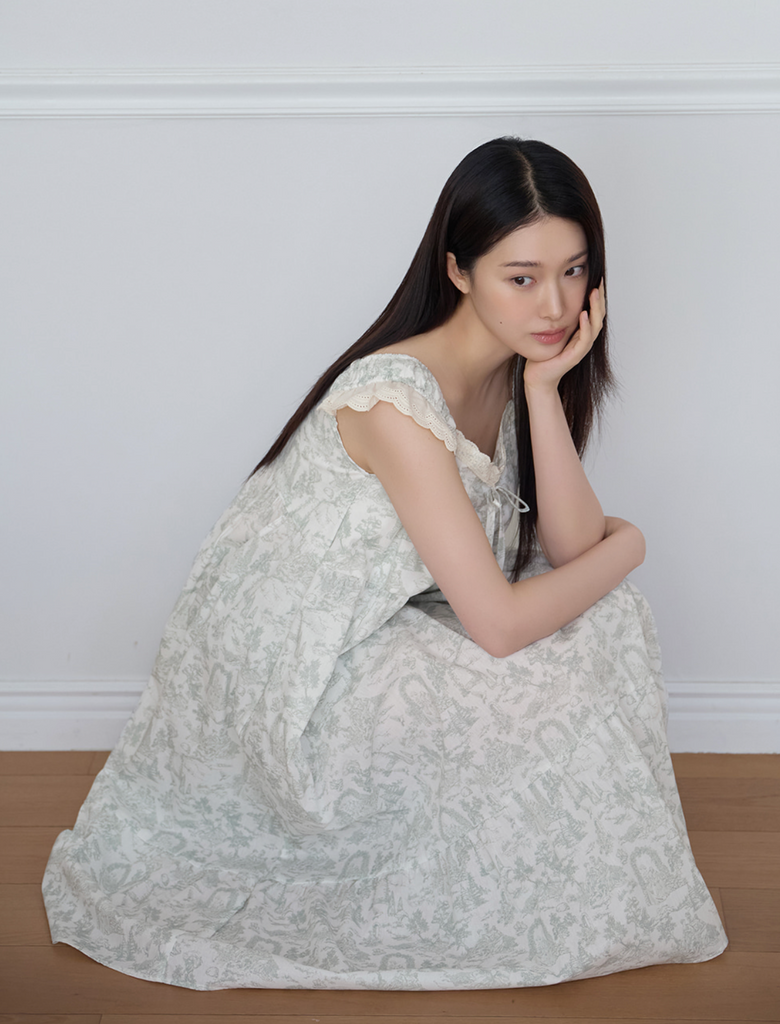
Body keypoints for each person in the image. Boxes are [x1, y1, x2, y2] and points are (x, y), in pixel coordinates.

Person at [42, 137, 727, 990]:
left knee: (607, 620)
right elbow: (506, 620)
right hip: (297, 673)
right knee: (558, 658)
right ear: (458, 271)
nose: (555, 304)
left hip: (382, 618)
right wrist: (636, 544)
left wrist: (545, 391)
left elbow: (570, 549)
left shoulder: (514, 370)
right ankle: (512, 898)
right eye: (521, 277)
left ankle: (551, 891)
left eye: (574, 271)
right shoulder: (397, 401)